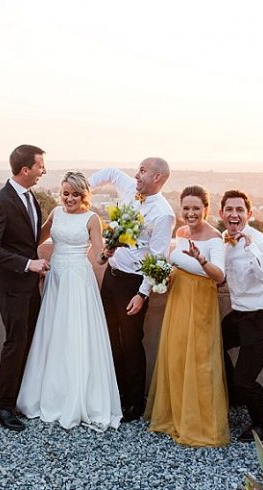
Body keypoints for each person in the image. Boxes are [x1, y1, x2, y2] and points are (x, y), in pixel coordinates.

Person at [17, 172, 122, 431]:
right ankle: (48, 394)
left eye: (75, 194)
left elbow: (98, 258)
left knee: (76, 333)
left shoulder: (92, 219)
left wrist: (108, 252)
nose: (70, 198)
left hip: (78, 280)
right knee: (53, 332)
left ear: (84, 195)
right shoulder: (55, 213)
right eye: (66, 193)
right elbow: (33, 240)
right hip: (56, 277)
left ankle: (77, 397)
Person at [88, 159, 175, 421]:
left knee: (131, 343)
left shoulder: (164, 214)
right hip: (111, 277)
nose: (136, 175)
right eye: (138, 170)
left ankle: (134, 402)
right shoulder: (131, 187)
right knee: (109, 338)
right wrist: (82, 189)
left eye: (143, 171)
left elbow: (158, 258)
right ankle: (116, 393)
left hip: (133, 285)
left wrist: (142, 294)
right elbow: (110, 173)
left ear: (157, 177)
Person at [145, 185, 229, 446]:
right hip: (178, 300)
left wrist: (201, 259)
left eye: (196, 208)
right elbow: (177, 264)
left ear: (206, 209)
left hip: (201, 304)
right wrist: (163, 275)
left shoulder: (215, 238)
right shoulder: (180, 232)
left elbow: (220, 276)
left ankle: (199, 423)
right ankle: (175, 415)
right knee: (177, 355)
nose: (191, 213)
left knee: (200, 360)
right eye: (186, 208)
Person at [0, 144, 49, 432]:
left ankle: (21, 396)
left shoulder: (30, 196)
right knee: (15, 341)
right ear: (25, 169)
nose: (43, 171)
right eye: (40, 166)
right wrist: (28, 264)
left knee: (30, 338)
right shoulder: (0, 201)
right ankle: (3, 406)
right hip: (10, 284)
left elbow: (28, 238)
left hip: (30, 284)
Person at [219, 189, 263, 442]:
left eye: (239, 210)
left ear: (249, 214)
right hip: (239, 314)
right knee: (213, 344)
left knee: (245, 378)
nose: (234, 214)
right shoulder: (223, 239)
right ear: (221, 213)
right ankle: (237, 395)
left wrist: (251, 250)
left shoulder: (260, 242)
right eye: (229, 209)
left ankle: (262, 423)